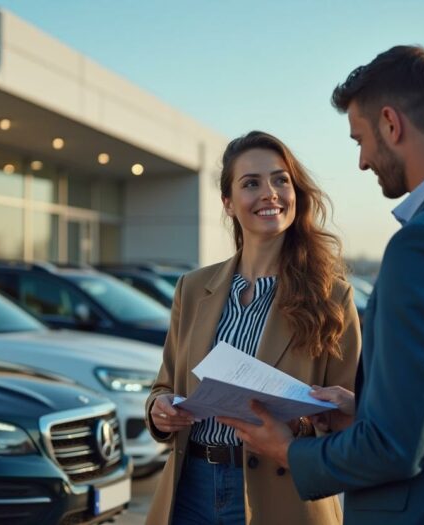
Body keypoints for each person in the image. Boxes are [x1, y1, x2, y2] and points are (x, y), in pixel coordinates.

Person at [219, 46, 424, 525]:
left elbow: (394, 448)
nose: (363, 162)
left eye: (360, 139)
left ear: (391, 123)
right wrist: (362, 406)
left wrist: (288, 451)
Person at [144, 131, 361, 525]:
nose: (270, 193)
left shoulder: (333, 299)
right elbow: (164, 386)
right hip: (189, 487)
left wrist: (297, 428)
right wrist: (159, 411)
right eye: (251, 183)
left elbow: (348, 418)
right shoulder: (192, 289)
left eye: (281, 180)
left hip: (283, 493)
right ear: (228, 203)